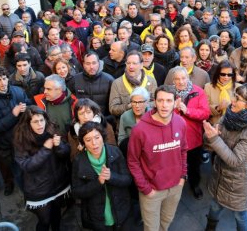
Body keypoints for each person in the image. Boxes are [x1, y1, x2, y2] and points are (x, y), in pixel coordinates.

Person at [203, 83, 247, 231]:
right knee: (214, 206)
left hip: (238, 183)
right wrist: (209, 136)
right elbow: (211, 140)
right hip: (220, 175)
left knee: (240, 215)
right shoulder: (230, 114)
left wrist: (214, 139)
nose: (232, 101)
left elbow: (234, 160)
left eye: (238, 99)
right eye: (235, 96)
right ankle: (210, 228)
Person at [128, 85, 187, 231]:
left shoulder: (181, 123)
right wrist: (145, 188)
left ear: (175, 102)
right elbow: (133, 161)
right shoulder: (140, 130)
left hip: (175, 187)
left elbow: (183, 150)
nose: (164, 105)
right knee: (151, 228)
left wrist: (183, 176)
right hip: (152, 191)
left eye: (168, 100)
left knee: (167, 221)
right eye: (160, 100)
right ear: (154, 102)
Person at [14, 105, 71, 230]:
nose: (40, 125)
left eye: (41, 120)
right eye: (35, 121)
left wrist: (59, 146)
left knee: (57, 215)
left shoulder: (52, 130)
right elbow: (26, 166)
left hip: (58, 184)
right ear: (28, 124)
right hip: (39, 189)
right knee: (45, 220)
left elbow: (66, 154)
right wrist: (45, 149)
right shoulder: (21, 140)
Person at [72, 121, 131, 230]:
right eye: (88, 140)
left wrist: (111, 177)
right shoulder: (78, 160)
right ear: (83, 143)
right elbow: (76, 192)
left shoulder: (115, 152)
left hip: (120, 210)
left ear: (103, 137)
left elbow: (127, 179)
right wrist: (98, 182)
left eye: (97, 137)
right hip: (96, 215)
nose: (94, 143)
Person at [0, 66, 31, 195]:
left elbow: (29, 104)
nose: (3, 82)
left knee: (32, 169)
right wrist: (13, 114)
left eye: (4, 78)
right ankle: (28, 196)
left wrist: (27, 107)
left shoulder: (18, 91)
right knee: (19, 173)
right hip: (10, 145)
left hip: (27, 139)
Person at [171, 66, 210, 199]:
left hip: (193, 139)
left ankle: (195, 185)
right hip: (174, 139)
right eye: (177, 79)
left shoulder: (198, 92)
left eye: (183, 78)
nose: (180, 81)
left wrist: (187, 111)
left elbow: (205, 113)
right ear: (173, 81)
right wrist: (174, 109)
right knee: (175, 166)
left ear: (188, 78)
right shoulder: (169, 94)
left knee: (194, 165)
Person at [109, 51, 157, 118]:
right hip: (126, 124)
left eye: (134, 63)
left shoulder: (151, 81)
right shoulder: (117, 83)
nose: (131, 66)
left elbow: (156, 103)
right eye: (128, 63)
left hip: (147, 123)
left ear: (141, 65)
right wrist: (129, 106)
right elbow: (112, 109)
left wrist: (143, 105)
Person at [69, 51, 114, 116]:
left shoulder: (109, 80)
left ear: (98, 63)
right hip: (83, 119)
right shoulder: (75, 80)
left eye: (94, 63)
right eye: (88, 63)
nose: (91, 67)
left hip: (103, 120)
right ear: (83, 64)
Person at [204, 60, 239, 125]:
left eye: (229, 75)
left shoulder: (239, 88)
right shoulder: (208, 87)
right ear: (218, 74)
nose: (226, 77)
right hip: (214, 125)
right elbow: (204, 108)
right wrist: (218, 108)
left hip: (233, 126)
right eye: (223, 74)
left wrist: (233, 106)